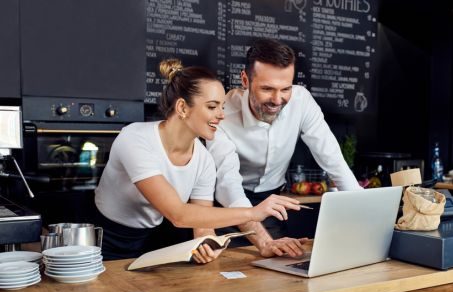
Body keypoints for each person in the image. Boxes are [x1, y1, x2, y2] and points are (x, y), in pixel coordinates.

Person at [94, 59, 302, 261]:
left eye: (222, 107)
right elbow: (178, 214)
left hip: (155, 241)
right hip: (106, 241)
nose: (221, 115)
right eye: (212, 107)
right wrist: (254, 212)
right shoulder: (135, 139)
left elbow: (202, 221)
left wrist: (206, 243)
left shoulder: (204, 160)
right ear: (183, 108)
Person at [206, 38, 362, 251]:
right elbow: (228, 186)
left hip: (272, 203)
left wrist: (364, 215)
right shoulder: (222, 115)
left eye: (285, 89)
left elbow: (332, 159)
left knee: (276, 271)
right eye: (267, 89)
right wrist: (264, 242)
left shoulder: (302, 101)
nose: (277, 100)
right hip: (227, 208)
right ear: (245, 80)